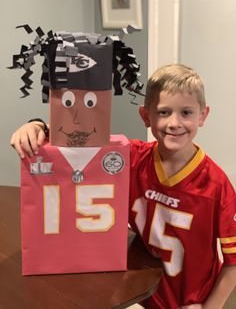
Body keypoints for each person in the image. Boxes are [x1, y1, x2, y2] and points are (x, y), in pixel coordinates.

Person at [10, 64, 236, 308]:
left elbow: (234, 262)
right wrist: (37, 126)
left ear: (203, 115)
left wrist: (210, 306)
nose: (174, 122)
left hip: (191, 300)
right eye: (163, 112)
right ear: (146, 116)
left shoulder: (216, 185)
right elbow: (78, 142)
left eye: (186, 112)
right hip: (145, 294)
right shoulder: (130, 158)